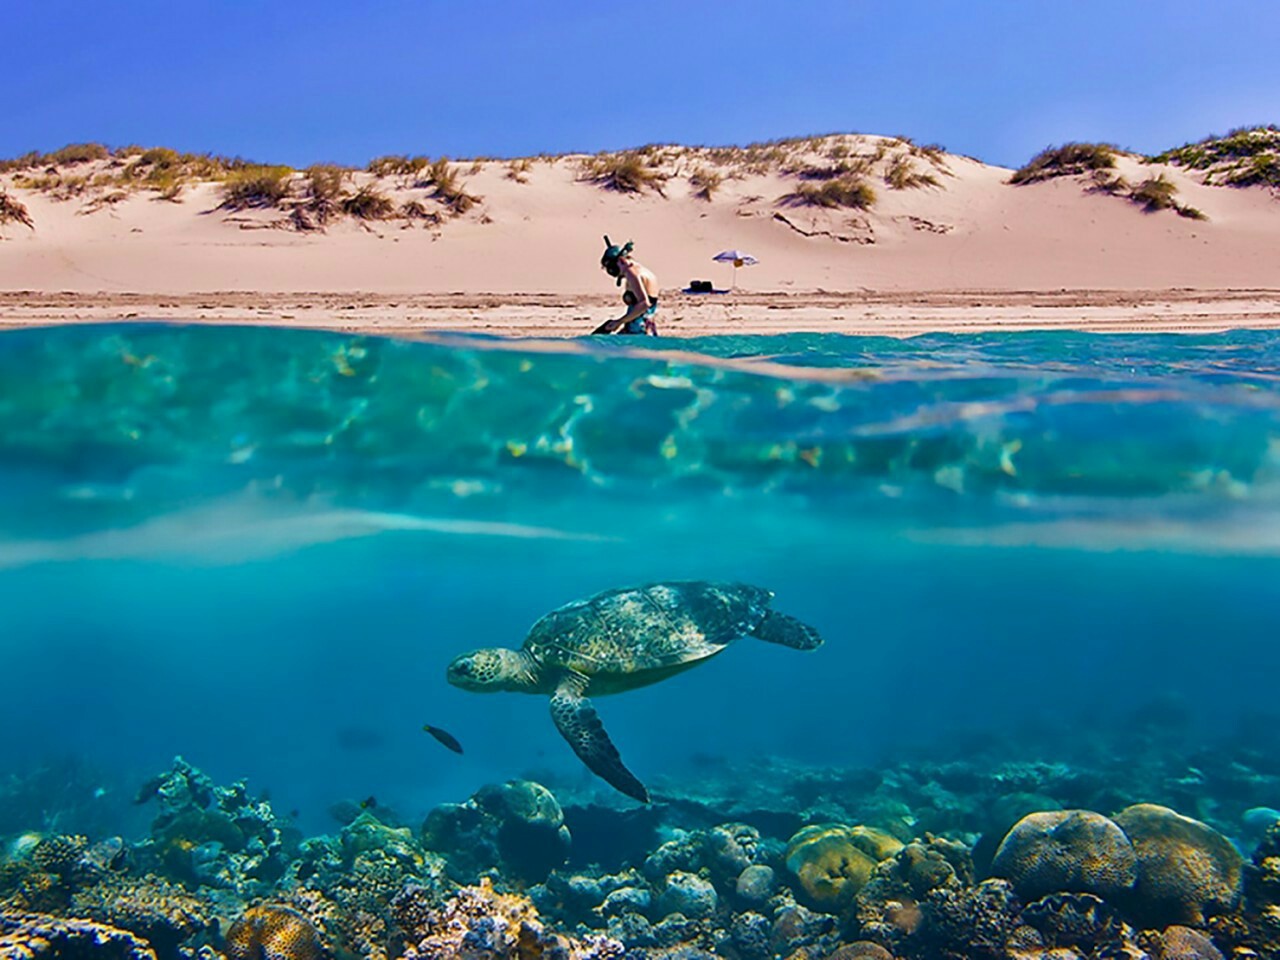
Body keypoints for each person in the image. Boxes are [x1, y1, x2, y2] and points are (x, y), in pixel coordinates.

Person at [593, 236, 659, 336]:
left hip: (638, 328)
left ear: (621, 261)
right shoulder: (639, 269)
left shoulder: (631, 272)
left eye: (612, 268)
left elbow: (644, 304)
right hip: (646, 326)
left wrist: (618, 322)